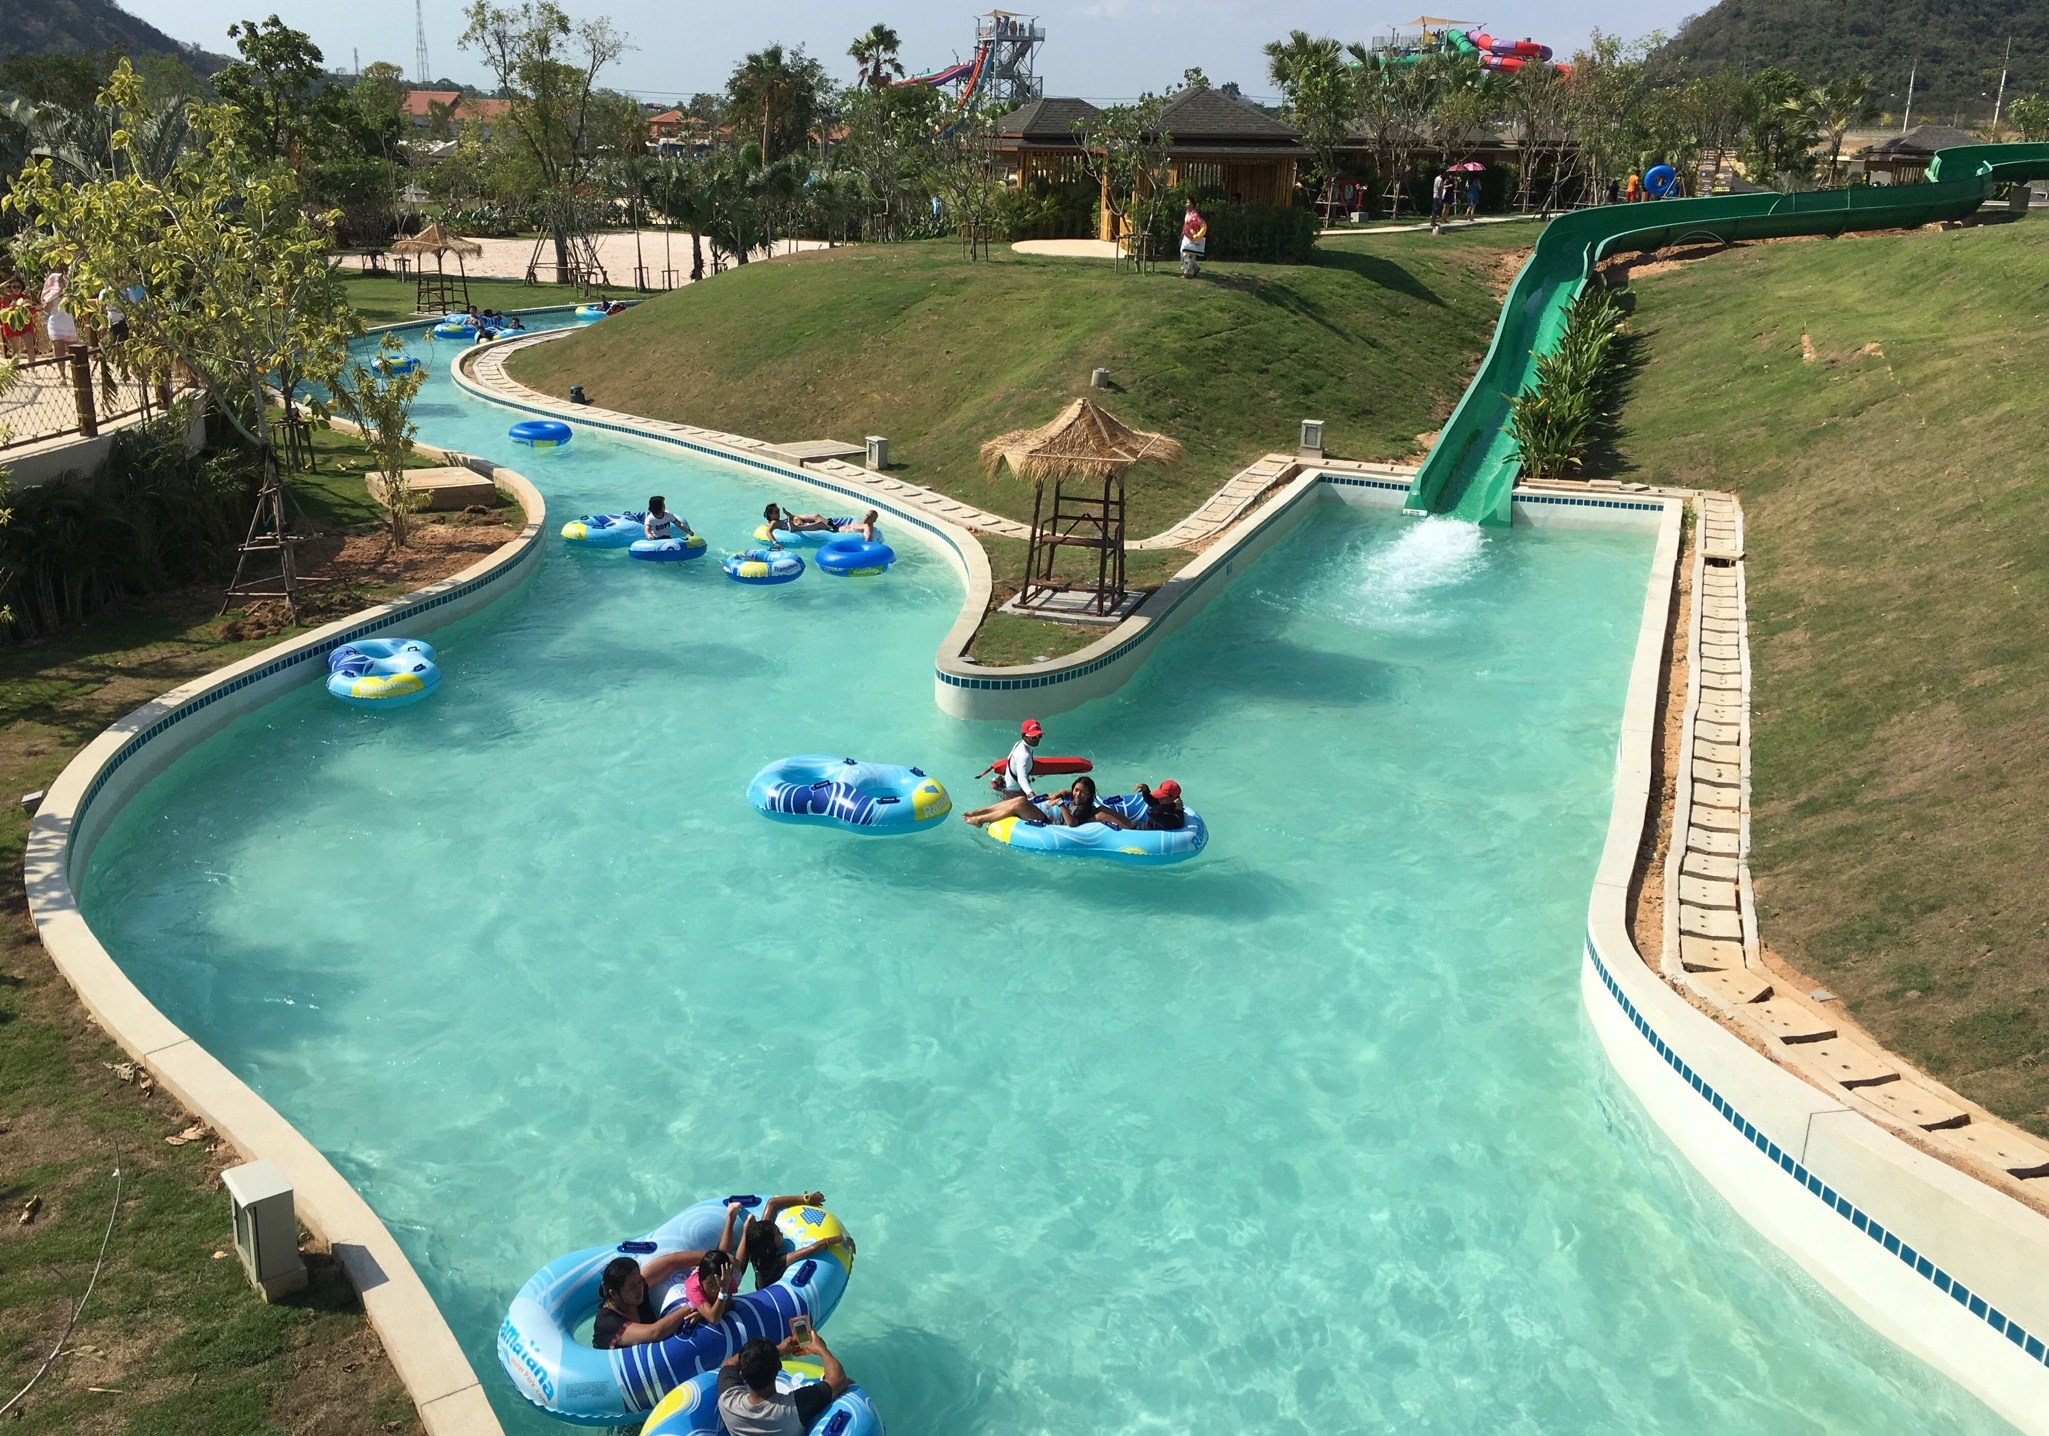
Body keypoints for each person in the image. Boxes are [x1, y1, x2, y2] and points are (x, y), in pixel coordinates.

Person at [592, 1200, 745, 1349]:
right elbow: (654, 1332)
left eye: (639, 1281)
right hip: (627, 1367)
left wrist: (709, 1257)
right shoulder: (608, 1322)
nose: (640, 1287)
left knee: (718, 1267)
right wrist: (695, 1305)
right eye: (633, 1286)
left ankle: (736, 1224)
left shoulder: (636, 1289)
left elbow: (670, 1262)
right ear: (613, 1293)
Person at [717, 1330, 850, 1436]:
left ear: (742, 1374)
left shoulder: (727, 1400)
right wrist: (821, 1349)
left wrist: (776, 1350)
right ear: (779, 1367)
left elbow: (729, 1364)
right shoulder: (795, 1406)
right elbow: (839, 1378)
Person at [737, 1191, 851, 1290]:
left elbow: (772, 1203)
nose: (781, 1232)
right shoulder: (775, 1262)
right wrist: (842, 1238)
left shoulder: (758, 1243)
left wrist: (806, 1198)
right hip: (771, 1292)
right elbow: (813, 1248)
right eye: (778, 1234)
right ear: (770, 1246)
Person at [41, 271, 76, 359]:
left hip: (69, 324)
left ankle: (74, 372)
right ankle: (62, 373)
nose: (62, 282)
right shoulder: (50, 295)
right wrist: (54, 294)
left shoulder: (69, 293)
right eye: (59, 280)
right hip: (55, 325)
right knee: (59, 350)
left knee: (73, 351)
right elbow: (46, 309)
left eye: (62, 280)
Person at [1178, 203, 1207, 279]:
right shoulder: (1187, 213)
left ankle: (1187, 273)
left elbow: (1200, 225)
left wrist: (1195, 235)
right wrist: (1182, 232)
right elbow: (1185, 224)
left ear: (1192, 204)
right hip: (1185, 235)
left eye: (1188, 202)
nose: (1186, 204)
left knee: (1190, 255)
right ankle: (1195, 268)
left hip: (1192, 237)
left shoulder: (1195, 215)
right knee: (1183, 253)